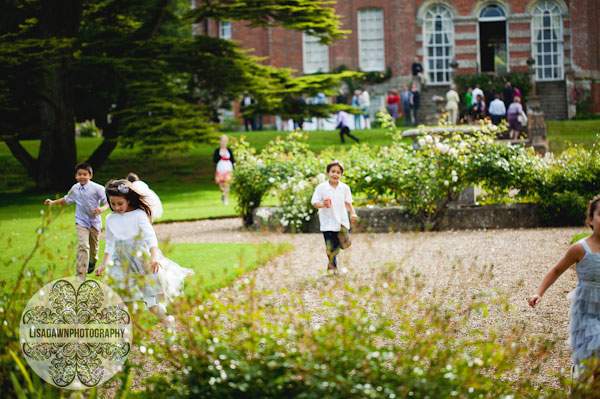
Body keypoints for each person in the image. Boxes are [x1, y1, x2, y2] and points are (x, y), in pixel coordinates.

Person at [95, 179, 194, 341]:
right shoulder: (110, 220)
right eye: (113, 204)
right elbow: (110, 243)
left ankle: (167, 321)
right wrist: (103, 263)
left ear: (128, 200)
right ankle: (123, 337)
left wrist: (154, 256)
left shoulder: (139, 215)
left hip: (141, 264)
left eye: (120, 203)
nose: (117, 207)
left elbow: (150, 237)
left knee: (152, 304)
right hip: (120, 264)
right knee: (119, 301)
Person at [528, 195, 600, 378]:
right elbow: (556, 270)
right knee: (590, 357)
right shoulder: (580, 248)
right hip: (587, 313)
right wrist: (539, 292)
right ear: (591, 219)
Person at [44, 163, 109, 278]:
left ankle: (93, 261)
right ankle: (80, 273)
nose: (82, 177)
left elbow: (107, 202)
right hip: (81, 221)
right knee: (83, 245)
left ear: (90, 175)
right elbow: (66, 199)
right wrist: (53, 202)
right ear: (76, 176)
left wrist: (102, 209)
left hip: (94, 222)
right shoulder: (75, 189)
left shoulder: (98, 188)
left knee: (93, 249)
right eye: (79, 174)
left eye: (85, 174)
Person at [311, 161, 358, 272]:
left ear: (341, 175)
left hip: (341, 221)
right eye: (333, 171)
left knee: (344, 244)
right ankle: (332, 266)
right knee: (331, 247)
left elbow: (348, 202)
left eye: (338, 172)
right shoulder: (321, 188)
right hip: (327, 222)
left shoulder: (344, 188)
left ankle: (343, 244)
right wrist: (323, 204)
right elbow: (315, 203)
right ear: (327, 172)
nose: (335, 174)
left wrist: (353, 213)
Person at [213, 134, 235, 205]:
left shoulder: (229, 150)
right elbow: (215, 160)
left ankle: (226, 199)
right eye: (223, 140)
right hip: (221, 168)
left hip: (228, 167)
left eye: (225, 141)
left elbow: (232, 160)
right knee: (221, 185)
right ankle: (223, 195)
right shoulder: (217, 150)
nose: (224, 142)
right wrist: (220, 156)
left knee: (227, 184)